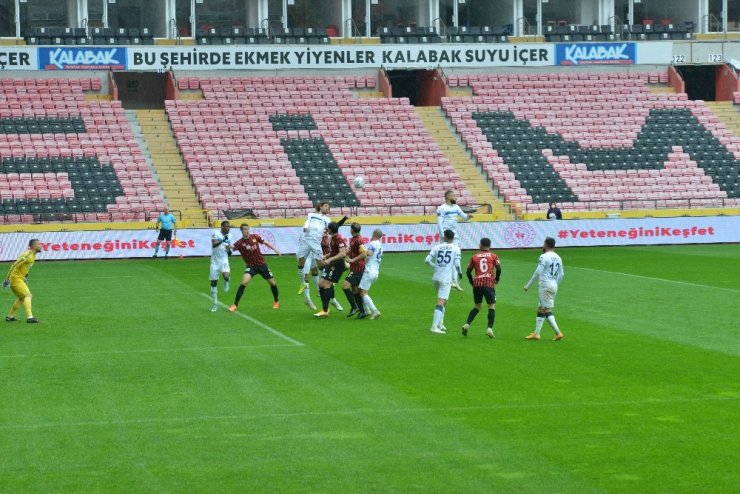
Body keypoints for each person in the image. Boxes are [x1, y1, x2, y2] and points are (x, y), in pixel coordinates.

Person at [229, 224, 281, 312]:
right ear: (241, 231)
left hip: (262, 265)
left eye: (248, 229)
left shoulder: (255, 237)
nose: (247, 230)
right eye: (245, 229)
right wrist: (228, 246)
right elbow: (231, 249)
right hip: (251, 266)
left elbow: (266, 243)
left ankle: (276, 301)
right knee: (244, 282)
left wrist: (275, 249)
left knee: (272, 283)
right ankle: (235, 305)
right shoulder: (239, 243)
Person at [524, 237, 565, 341]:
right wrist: (555, 283)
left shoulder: (544, 256)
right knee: (541, 308)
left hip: (545, 285)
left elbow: (538, 272)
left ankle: (558, 332)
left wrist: (528, 285)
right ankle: (536, 334)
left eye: (544, 244)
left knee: (546, 309)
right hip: (553, 285)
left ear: (546, 245)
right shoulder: (558, 257)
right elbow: (562, 274)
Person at [462, 237, 501, 339]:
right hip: (489, 283)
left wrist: (472, 282)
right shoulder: (493, 256)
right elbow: (499, 268)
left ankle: (467, 324)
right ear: (489, 245)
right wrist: (497, 278)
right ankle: (489, 329)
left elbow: (468, 271)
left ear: (481, 245)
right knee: (491, 306)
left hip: (477, 283)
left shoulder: (474, 257)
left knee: (477, 306)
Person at [425, 229, 462, 334]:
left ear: (444, 237)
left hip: (436, 277)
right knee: (441, 302)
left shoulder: (437, 247)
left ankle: (440, 323)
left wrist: (435, 266)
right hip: (446, 279)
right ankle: (434, 326)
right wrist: (459, 274)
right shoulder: (456, 248)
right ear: (453, 238)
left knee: (443, 300)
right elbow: (458, 265)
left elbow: (427, 260)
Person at [296, 201, 331, 310]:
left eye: (328, 207)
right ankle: (307, 299)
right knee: (306, 274)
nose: (327, 208)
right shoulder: (311, 215)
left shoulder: (327, 219)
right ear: (320, 206)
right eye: (326, 206)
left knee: (317, 269)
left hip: (315, 246)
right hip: (307, 244)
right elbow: (306, 224)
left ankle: (320, 288)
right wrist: (306, 227)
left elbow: (330, 230)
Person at [436, 190, 471, 291]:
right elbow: (439, 222)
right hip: (445, 235)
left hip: (455, 235)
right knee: (443, 257)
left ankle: (454, 281)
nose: (455, 198)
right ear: (448, 197)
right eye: (453, 196)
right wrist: (442, 235)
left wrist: (468, 217)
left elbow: (464, 217)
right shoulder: (442, 208)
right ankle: (442, 278)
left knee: (456, 256)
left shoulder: (456, 207)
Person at [3, 239, 43, 324]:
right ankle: (30, 317)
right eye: (39, 244)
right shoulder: (28, 255)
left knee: (22, 298)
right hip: (15, 279)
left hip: (19, 278)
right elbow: (14, 265)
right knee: (28, 295)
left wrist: (25, 277)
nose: (41, 245)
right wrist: (7, 279)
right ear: (33, 246)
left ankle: (10, 316)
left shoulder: (32, 255)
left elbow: (24, 268)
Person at [314, 222, 347, 318]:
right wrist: (325, 256)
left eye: (327, 228)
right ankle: (325, 309)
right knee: (321, 284)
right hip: (333, 263)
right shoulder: (333, 238)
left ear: (331, 229)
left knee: (325, 284)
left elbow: (342, 254)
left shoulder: (338, 239)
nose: (326, 229)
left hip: (337, 264)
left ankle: (325, 310)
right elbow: (333, 252)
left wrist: (329, 259)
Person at [351, 228, 384, 320]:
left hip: (369, 271)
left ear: (374, 234)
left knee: (362, 293)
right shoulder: (380, 245)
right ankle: (367, 310)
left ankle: (375, 311)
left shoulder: (373, 243)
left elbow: (369, 253)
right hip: (375, 271)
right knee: (362, 290)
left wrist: (362, 252)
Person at [342, 222, 366, 317]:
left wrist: (352, 260)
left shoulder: (359, 240)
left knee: (345, 286)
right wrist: (344, 254)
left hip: (358, 269)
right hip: (354, 268)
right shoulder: (353, 239)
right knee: (355, 290)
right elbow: (351, 250)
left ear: (352, 229)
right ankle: (362, 311)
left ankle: (354, 306)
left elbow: (364, 254)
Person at [209, 220, 232, 312]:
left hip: (224, 260)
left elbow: (228, 249)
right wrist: (222, 240)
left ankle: (227, 281)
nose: (228, 228)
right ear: (222, 227)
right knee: (213, 283)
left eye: (229, 227)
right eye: (227, 226)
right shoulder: (215, 234)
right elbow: (214, 245)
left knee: (226, 276)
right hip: (214, 262)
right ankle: (215, 304)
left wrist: (229, 250)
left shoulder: (229, 236)